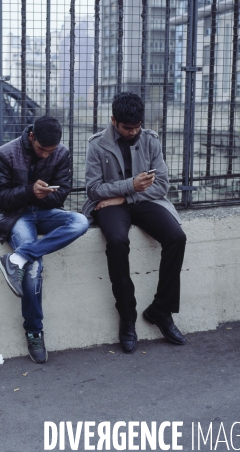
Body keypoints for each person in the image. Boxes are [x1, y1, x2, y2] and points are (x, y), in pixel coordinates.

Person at [82, 92, 187, 354]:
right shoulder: (97, 144)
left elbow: (162, 185)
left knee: (176, 237)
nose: (133, 132)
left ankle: (161, 310)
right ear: (113, 120)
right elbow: (94, 190)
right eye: (128, 127)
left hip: (139, 201)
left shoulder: (150, 140)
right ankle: (127, 316)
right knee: (117, 241)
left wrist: (123, 196)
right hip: (109, 206)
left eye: (137, 126)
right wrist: (130, 187)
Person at [0, 115, 89, 363]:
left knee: (81, 221)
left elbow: (62, 194)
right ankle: (34, 330)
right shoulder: (6, 153)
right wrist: (29, 190)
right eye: (42, 150)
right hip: (17, 215)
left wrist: (42, 196)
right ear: (31, 136)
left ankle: (18, 256)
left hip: (44, 212)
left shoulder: (61, 153)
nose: (46, 155)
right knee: (34, 267)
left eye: (51, 151)